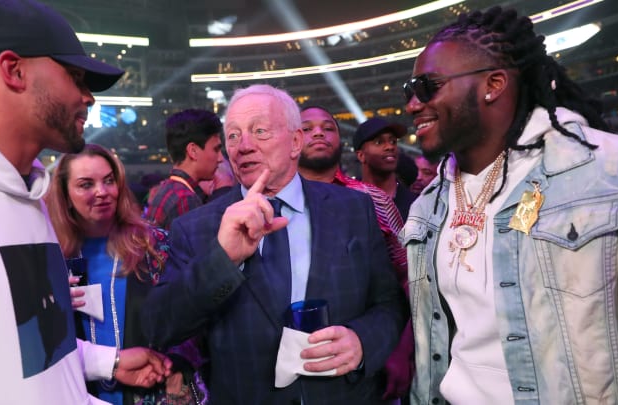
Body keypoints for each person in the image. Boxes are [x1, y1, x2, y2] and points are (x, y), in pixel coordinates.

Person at [0, 0, 170, 403]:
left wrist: (105, 362)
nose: (88, 97)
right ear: (14, 70)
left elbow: (33, 350)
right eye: (76, 77)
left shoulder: (28, 194)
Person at [401, 6, 618, 405]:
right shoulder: (426, 206)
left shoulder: (607, 174)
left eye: (427, 86)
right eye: (408, 91)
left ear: (494, 84)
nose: (413, 104)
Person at [141, 84, 408, 404]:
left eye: (260, 131)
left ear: (296, 142)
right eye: (234, 135)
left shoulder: (353, 209)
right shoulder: (195, 227)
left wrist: (363, 342)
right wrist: (223, 259)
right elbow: (160, 326)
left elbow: (389, 304)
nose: (243, 146)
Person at [46, 144, 207, 405]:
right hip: (81, 394)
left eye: (109, 181)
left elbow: (191, 312)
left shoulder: (154, 246)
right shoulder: (52, 258)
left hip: (154, 390)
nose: (102, 192)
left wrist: (178, 366)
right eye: (86, 185)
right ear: (65, 195)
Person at [298, 105, 414, 403]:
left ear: (341, 142)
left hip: (363, 367)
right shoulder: (270, 202)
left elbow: (410, 279)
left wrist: (401, 350)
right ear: (292, 138)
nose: (318, 133)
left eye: (327, 127)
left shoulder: (371, 198)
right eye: (307, 128)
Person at [146, 108, 224, 229]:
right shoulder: (185, 199)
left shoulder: (169, 190)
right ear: (193, 151)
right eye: (216, 149)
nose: (220, 158)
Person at [354, 117, 418, 221]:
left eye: (393, 141)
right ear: (361, 155)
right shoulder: (347, 199)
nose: (390, 147)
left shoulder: (415, 205)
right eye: (379, 142)